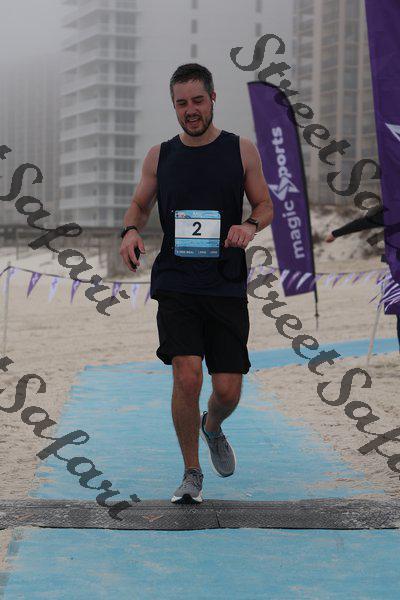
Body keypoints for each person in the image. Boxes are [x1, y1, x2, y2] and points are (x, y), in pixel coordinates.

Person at [119, 63, 274, 504]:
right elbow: (139, 204)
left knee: (227, 389)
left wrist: (249, 225)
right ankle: (191, 472)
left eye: (198, 100)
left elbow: (264, 204)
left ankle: (213, 425)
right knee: (186, 376)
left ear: (212, 99)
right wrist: (130, 230)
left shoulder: (241, 150)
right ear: (174, 105)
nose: (190, 110)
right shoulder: (159, 156)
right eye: (181, 103)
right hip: (177, 281)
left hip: (225, 282)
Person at [325, 204, 400, 350]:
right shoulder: (392, 210)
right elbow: (364, 222)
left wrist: (335, 234)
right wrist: (336, 233)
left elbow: (364, 222)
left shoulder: (392, 209)